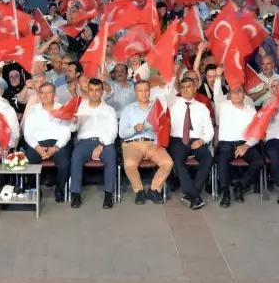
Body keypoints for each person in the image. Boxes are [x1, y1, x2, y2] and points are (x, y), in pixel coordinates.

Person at [117, 81, 174, 205]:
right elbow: (122, 133)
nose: (144, 93)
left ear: (150, 92)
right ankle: (139, 191)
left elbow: (164, 129)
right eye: (140, 91)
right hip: (133, 144)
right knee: (129, 163)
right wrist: (134, 129)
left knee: (168, 162)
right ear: (136, 93)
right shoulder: (128, 109)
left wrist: (157, 143)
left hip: (153, 144)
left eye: (146, 90)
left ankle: (154, 189)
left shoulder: (157, 108)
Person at [21, 82, 74, 202]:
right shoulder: (33, 110)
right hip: (37, 143)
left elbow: (66, 133)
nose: (44, 95)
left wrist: (55, 147)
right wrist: (37, 147)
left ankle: (59, 189)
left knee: (64, 163)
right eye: (42, 92)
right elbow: (27, 133)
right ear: (39, 94)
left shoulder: (62, 109)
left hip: (57, 143)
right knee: (27, 162)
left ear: (54, 94)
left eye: (48, 92)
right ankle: (34, 189)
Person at [167, 75, 214, 210]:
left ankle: (191, 194)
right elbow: (167, 92)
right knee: (177, 160)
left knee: (207, 157)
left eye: (189, 87)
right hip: (178, 140)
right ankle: (193, 194)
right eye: (183, 87)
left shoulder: (202, 107)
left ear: (195, 89)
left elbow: (209, 131)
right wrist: (173, 74)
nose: (186, 89)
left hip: (196, 141)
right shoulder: (173, 102)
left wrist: (201, 140)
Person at [70, 78, 118, 209]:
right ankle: (75, 194)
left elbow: (113, 131)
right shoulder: (79, 107)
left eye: (97, 90)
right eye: (91, 90)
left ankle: (108, 194)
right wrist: (73, 122)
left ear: (102, 92)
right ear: (87, 91)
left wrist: (102, 145)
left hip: (105, 142)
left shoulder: (109, 110)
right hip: (84, 142)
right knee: (76, 157)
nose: (94, 93)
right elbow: (73, 130)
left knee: (111, 155)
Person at [214, 81, 264, 206]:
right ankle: (225, 191)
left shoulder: (251, 111)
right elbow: (216, 93)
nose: (236, 94)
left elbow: (257, 134)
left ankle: (240, 185)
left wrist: (246, 145)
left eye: (239, 91)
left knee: (259, 161)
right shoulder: (223, 105)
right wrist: (218, 77)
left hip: (244, 142)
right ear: (229, 93)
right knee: (223, 156)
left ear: (244, 93)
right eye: (233, 91)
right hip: (227, 142)